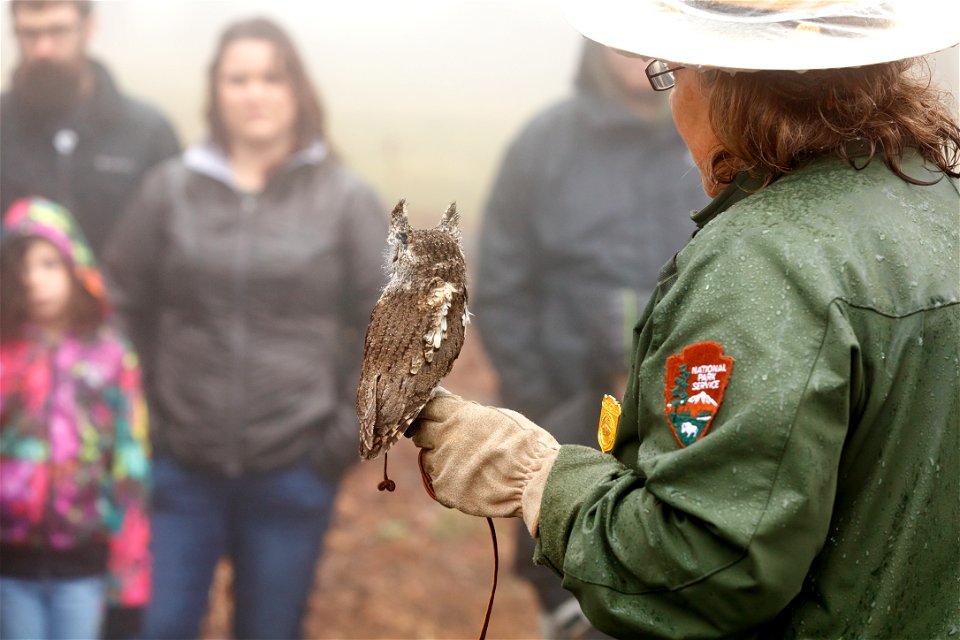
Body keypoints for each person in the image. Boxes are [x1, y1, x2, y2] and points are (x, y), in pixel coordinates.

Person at [410, 0, 960, 637]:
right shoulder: (936, 201)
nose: (672, 108)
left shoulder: (767, 262)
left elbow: (703, 567)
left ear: (728, 83)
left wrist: (537, 477)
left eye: (671, 73)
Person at [103, 17, 388, 639]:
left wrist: (339, 443)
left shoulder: (344, 200)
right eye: (239, 79)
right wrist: (145, 416)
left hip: (294, 471)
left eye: (270, 77)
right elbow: (119, 303)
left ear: (296, 89)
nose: (255, 93)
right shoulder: (170, 191)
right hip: (178, 470)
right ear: (216, 92)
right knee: (158, 629)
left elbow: (393, 330)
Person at [474, 38, 704, 639]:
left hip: (696, 421)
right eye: (623, 30)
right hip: (569, 418)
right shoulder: (543, 147)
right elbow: (501, 283)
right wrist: (543, 402)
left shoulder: (715, 135)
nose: (639, 50)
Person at [0, 198, 151, 640]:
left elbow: (130, 467)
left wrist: (129, 576)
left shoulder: (110, 356)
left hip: (84, 565)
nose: (35, 280)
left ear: (74, 265)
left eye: (49, 264)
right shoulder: (5, 357)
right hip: (11, 565)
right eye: (21, 269)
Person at [1, 0, 180, 256]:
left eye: (58, 31)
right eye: (29, 34)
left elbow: (173, 248)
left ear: (89, 27)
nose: (43, 49)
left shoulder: (148, 133)